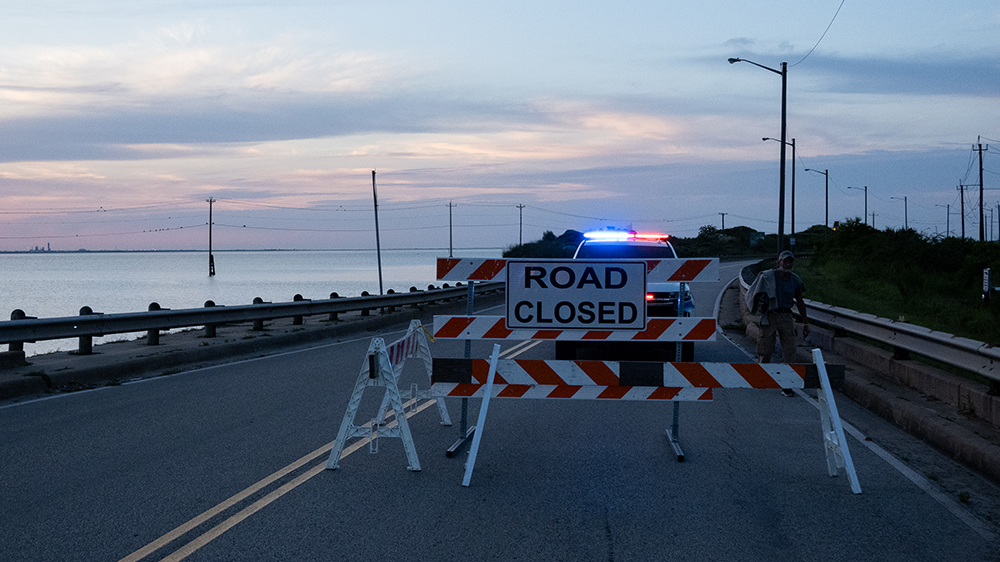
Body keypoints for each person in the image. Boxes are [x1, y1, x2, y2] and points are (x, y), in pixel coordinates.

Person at [745, 250, 809, 396]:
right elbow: (755, 293)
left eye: (790, 261)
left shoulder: (795, 280)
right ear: (779, 262)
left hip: (786, 316)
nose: (788, 264)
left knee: (790, 350)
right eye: (785, 261)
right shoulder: (768, 277)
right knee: (766, 349)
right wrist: (760, 305)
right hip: (770, 315)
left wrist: (805, 323)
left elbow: (800, 301)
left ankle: (787, 384)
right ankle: (761, 377)